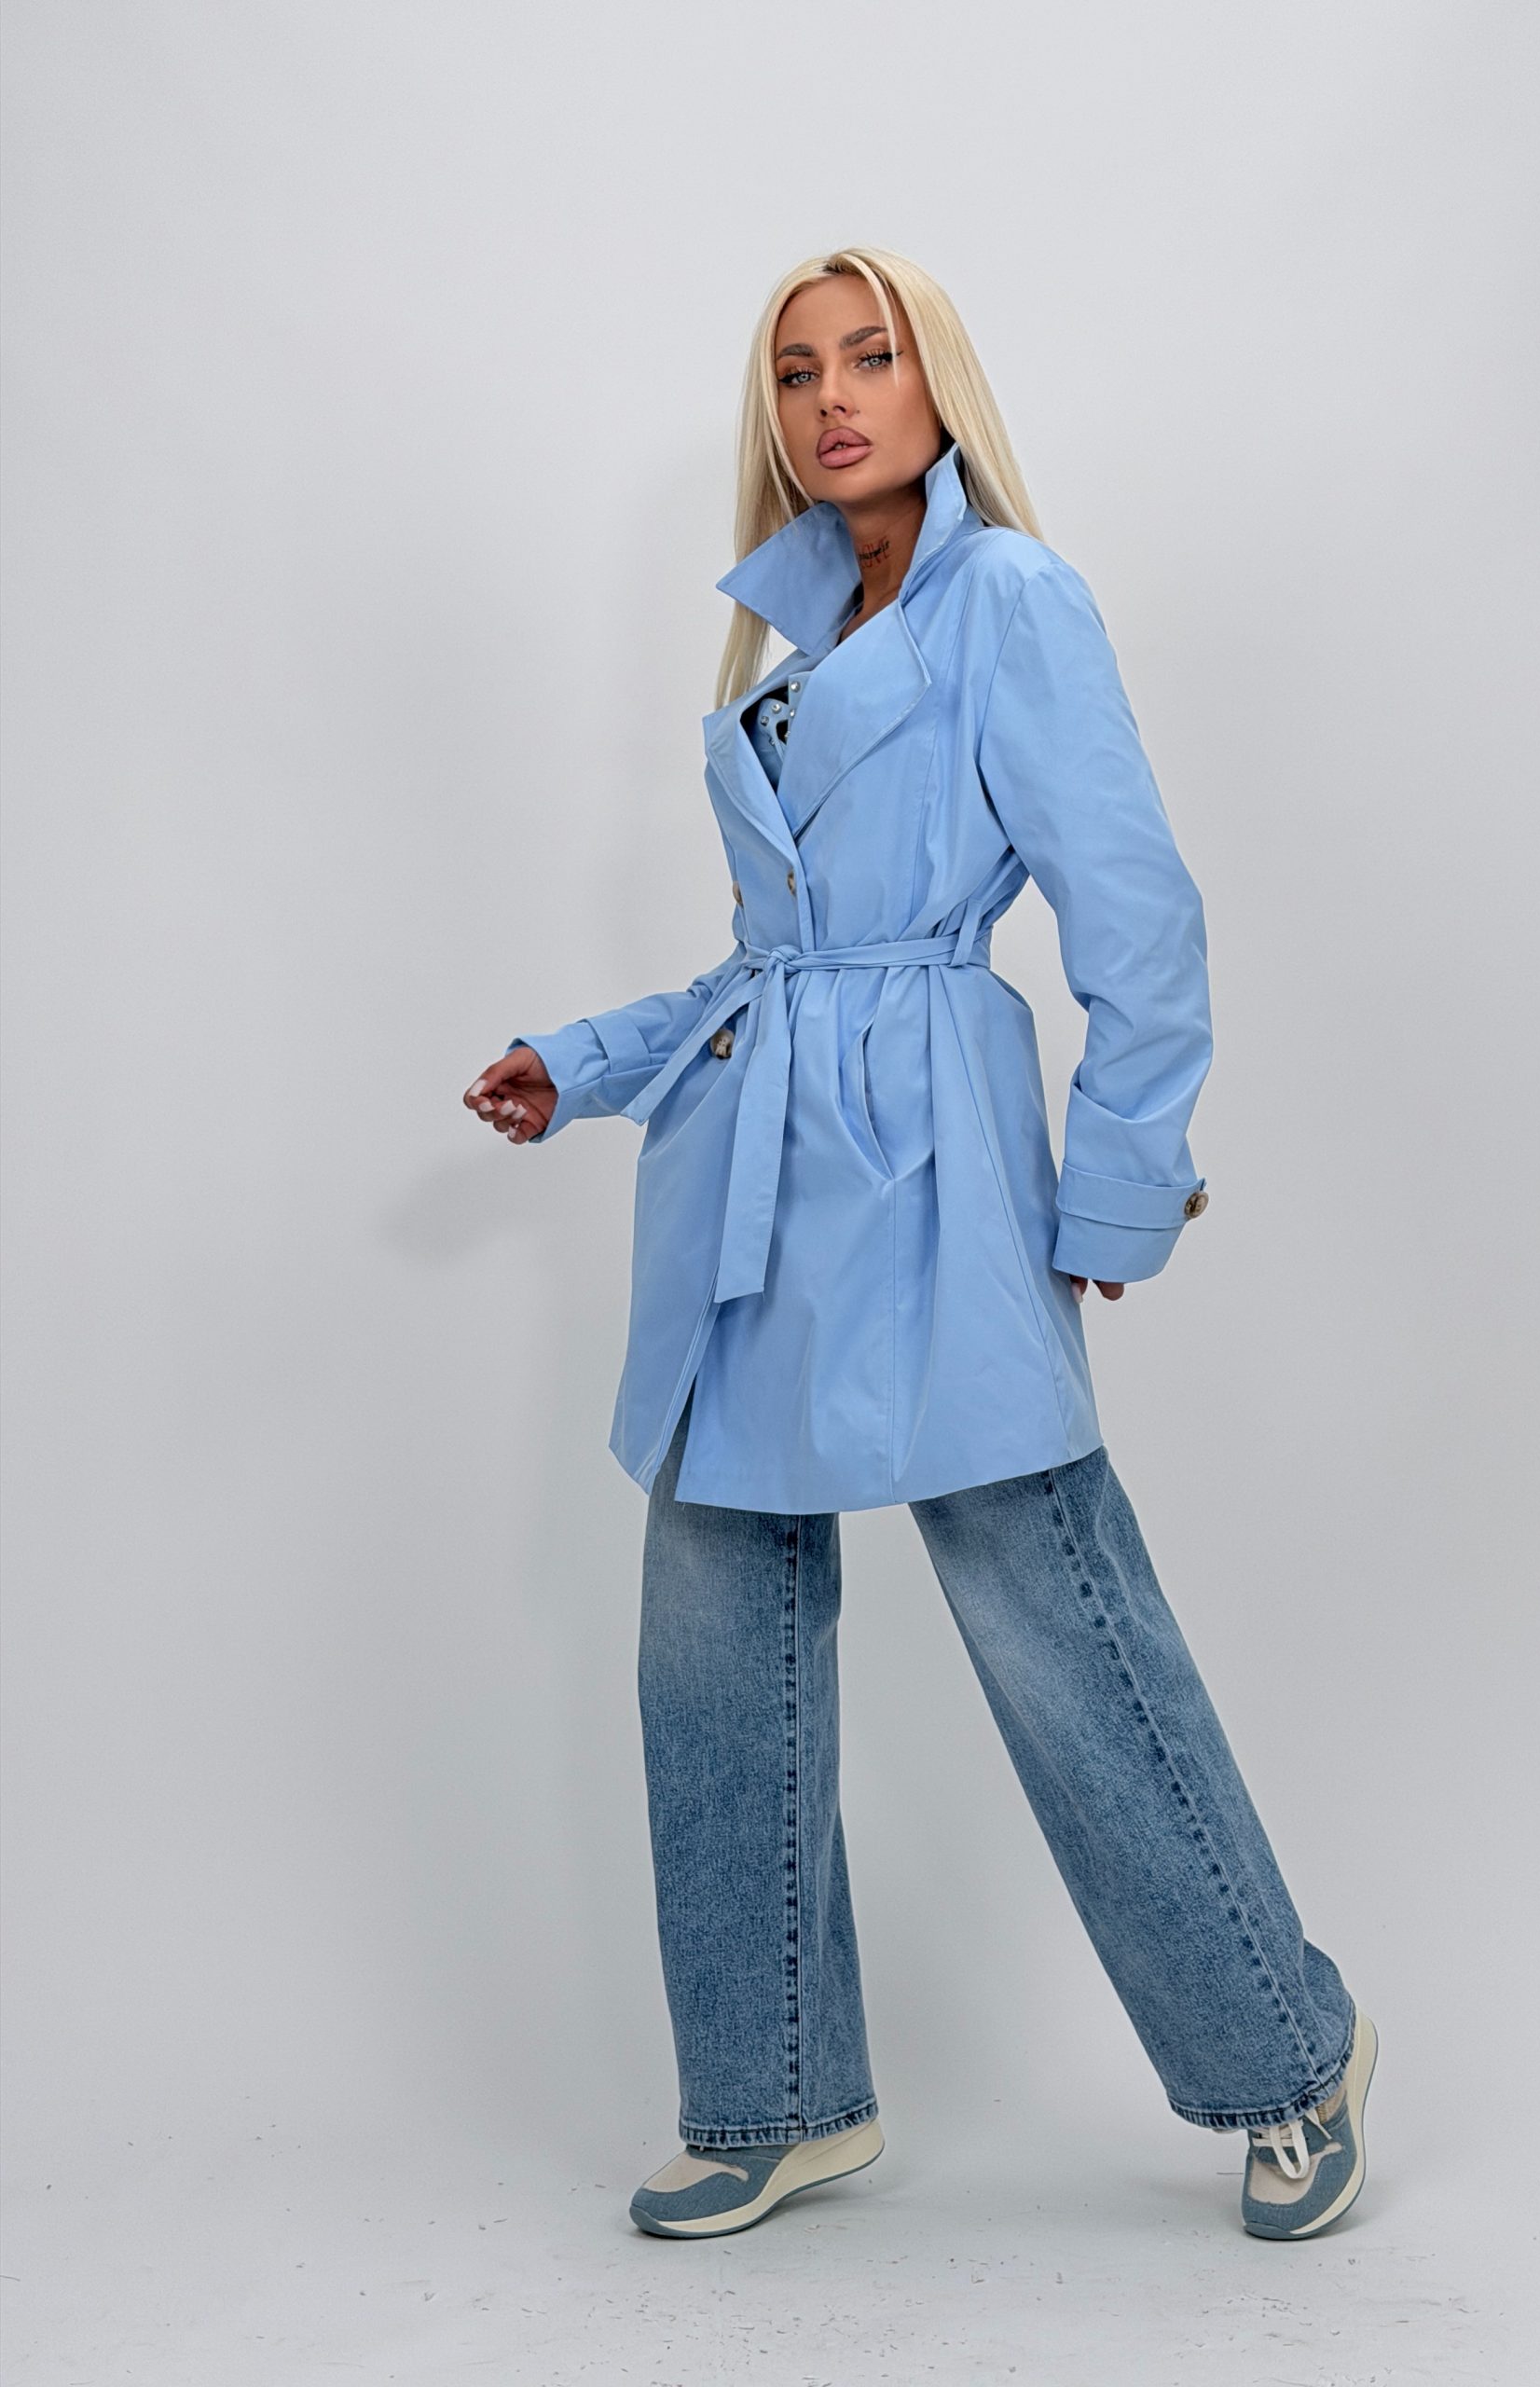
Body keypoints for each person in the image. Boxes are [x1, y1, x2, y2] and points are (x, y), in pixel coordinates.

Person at [462, 246, 1375, 2243]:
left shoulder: (1010, 598)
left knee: (1058, 1624)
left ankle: (1289, 2058)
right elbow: (771, 963)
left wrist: (1117, 1186)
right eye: (797, 370)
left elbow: (1137, 915)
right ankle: (776, 2092)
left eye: (871, 356)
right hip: (749, 1177)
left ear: (936, 380)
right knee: (710, 1632)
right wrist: (586, 1061)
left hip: (936, 1167)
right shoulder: (789, 636)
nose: (833, 398)